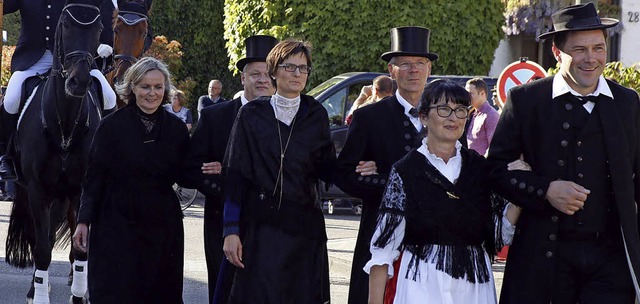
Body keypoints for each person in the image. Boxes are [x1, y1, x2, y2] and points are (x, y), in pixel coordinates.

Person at [488, 3, 640, 303]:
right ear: (558, 53)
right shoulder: (526, 101)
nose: (591, 58)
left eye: (598, 48)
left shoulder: (627, 102)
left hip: (611, 262)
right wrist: (545, 190)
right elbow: (494, 171)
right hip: (544, 260)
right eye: (580, 49)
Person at [366, 79, 531, 304]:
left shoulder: (480, 169)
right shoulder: (406, 170)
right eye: (443, 109)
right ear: (423, 117)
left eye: (461, 110)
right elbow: (383, 251)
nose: (453, 117)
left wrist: (518, 193)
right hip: (421, 284)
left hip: (474, 286)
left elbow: (498, 236)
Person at [72, 57, 198, 303]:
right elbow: (94, 177)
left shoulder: (176, 129)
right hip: (115, 224)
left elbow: (186, 174)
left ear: (166, 89)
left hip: (162, 227)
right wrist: (83, 220)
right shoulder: (111, 127)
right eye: (145, 87)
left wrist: (210, 168)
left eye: (158, 87)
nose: (152, 93)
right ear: (132, 88)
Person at [221, 39, 334, 303]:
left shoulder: (316, 113)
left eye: (303, 68)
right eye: (289, 67)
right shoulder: (251, 114)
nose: (297, 74)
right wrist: (230, 230)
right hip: (261, 229)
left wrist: (362, 167)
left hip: (305, 229)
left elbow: (328, 167)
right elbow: (235, 174)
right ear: (273, 71)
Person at [335, 26, 437, 304]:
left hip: (434, 235)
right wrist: (389, 185)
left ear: (429, 69)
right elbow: (344, 174)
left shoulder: (446, 114)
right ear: (392, 72)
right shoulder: (369, 117)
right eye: (405, 64)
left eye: (419, 63)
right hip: (379, 231)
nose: (413, 70)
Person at [186, 34, 278, 304]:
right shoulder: (216, 116)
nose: (262, 80)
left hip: (272, 225)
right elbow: (190, 168)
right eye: (255, 74)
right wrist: (224, 186)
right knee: (225, 290)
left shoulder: (289, 118)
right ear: (242, 78)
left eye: (268, 74)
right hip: (220, 221)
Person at [0, 0, 118, 180]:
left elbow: (104, 6)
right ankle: (5, 155)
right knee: (11, 99)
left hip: (74, 60)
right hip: (31, 59)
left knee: (109, 97)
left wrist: (106, 40)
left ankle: (109, 154)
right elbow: (5, 6)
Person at [465, 78, 499, 156]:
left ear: (482, 93)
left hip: (482, 165)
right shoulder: (473, 113)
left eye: (470, 93)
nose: (467, 97)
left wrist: (483, 165)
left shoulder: (491, 115)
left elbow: (493, 147)